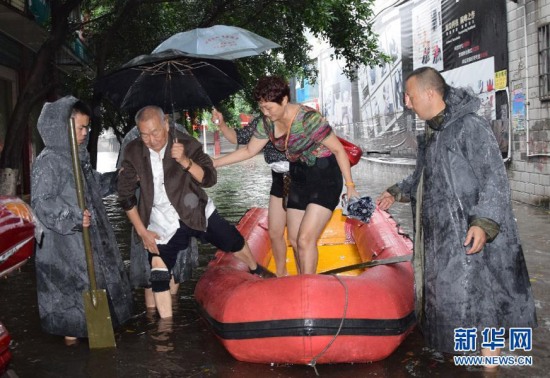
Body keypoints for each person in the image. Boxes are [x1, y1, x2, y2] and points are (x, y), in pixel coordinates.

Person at [376, 67, 537, 364]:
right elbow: (424, 176)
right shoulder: (433, 133)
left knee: (486, 302)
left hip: (472, 234)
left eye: (409, 96)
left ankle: (491, 368)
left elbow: (495, 177)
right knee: (455, 303)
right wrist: (397, 191)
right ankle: (460, 361)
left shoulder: (470, 127)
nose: (407, 103)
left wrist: (483, 222)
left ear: (429, 93)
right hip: (443, 239)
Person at [117, 106, 273, 319]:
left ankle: (255, 268)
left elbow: (209, 178)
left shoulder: (186, 143)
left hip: (196, 210)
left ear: (166, 124)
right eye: (144, 135)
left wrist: (185, 161)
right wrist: (142, 232)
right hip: (162, 220)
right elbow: (125, 196)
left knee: (233, 241)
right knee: (158, 272)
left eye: (155, 133)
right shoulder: (133, 151)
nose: (151, 140)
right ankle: (165, 330)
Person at [214, 76, 359, 275]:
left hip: (325, 176)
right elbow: (248, 151)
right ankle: (302, 281)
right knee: (293, 239)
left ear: (284, 100)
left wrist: (350, 186)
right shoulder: (267, 123)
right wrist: (214, 164)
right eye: (262, 108)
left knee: (305, 239)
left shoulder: (309, 119)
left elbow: (338, 151)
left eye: (269, 108)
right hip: (298, 177)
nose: (265, 113)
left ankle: (308, 288)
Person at [31, 96, 133, 345]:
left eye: (87, 127)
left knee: (89, 290)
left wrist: (117, 180)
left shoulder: (80, 157)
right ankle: (71, 351)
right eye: (80, 127)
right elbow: (41, 203)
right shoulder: (49, 161)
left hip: (89, 237)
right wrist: (73, 216)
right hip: (63, 247)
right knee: (69, 305)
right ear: (62, 127)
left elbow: (94, 186)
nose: (85, 132)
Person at [211, 113, 289, 276]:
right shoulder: (263, 122)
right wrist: (222, 124)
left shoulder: (300, 119)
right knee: (275, 233)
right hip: (279, 179)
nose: (264, 108)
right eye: (261, 104)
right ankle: (282, 275)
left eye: (267, 103)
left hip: (303, 178)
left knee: (298, 238)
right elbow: (238, 139)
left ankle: (305, 277)